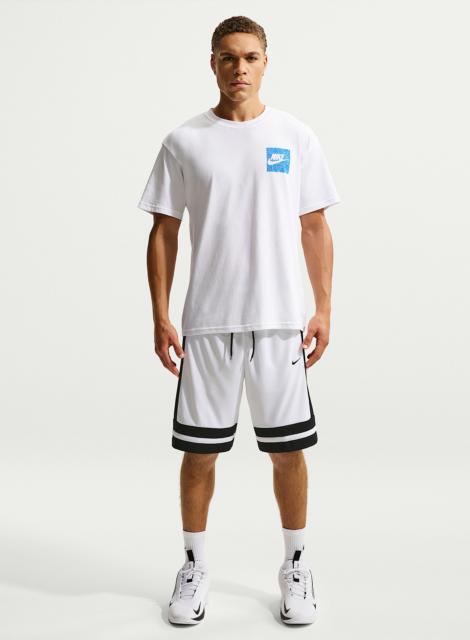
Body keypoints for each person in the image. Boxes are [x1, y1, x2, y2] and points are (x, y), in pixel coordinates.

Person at [137, 15, 340, 626]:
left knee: (288, 451)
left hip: (278, 323)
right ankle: (194, 566)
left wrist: (323, 307)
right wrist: (160, 314)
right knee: (200, 455)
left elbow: (314, 226)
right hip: (208, 324)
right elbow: (163, 231)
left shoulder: (295, 136)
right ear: (213, 64)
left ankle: (296, 565)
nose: (239, 68)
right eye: (228, 57)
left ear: (265, 62)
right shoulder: (185, 141)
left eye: (250, 57)